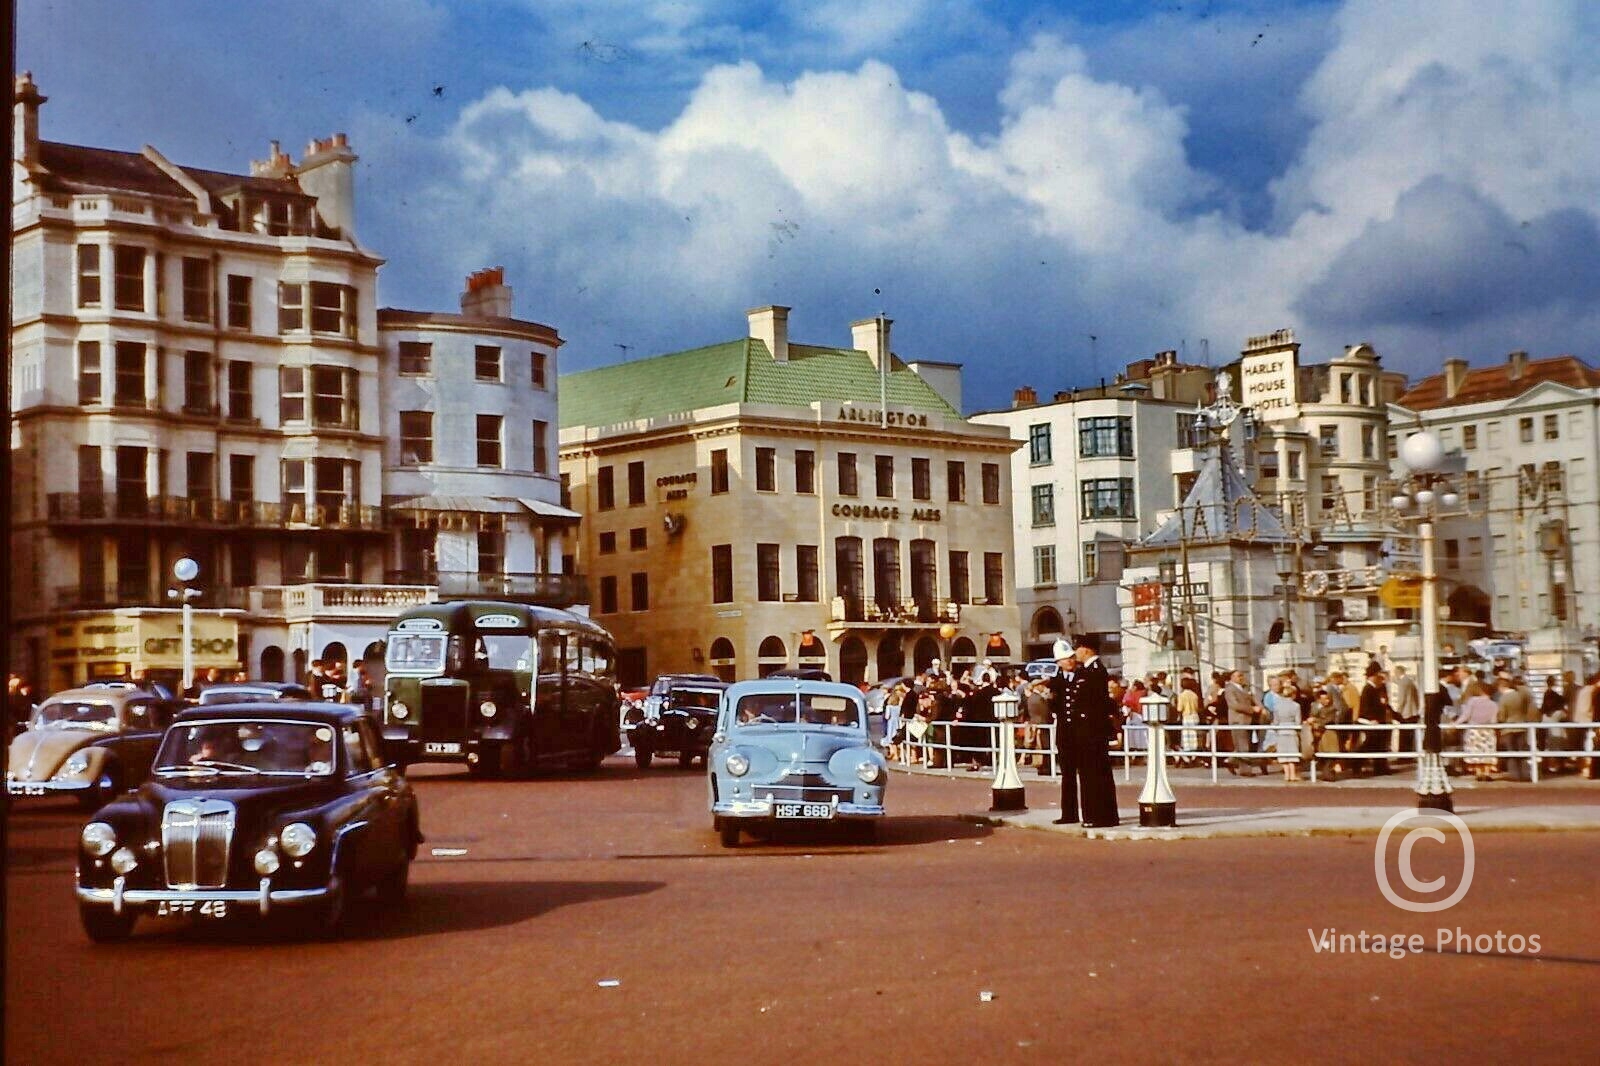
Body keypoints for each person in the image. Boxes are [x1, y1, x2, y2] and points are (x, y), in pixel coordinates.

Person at [1033, 636, 1118, 828]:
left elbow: (1094, 704)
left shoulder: (1090, 672)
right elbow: (1059, 705)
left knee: (1091, 775)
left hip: (1086, 732)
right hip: (1068, 732)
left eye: (1074, 654)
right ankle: (1072, 813)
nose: (1072, 659)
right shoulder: (1062, 678)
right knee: (1070, 774)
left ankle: (1096, 815)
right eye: (1066, 658)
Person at [1457, 680, 1500, 782]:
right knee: (1487, 751)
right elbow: (1494, 720)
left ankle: (1479, 773)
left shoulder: (1472, 701)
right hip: (1488, 731)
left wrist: (1456, 724)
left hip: (1474, 730)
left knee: (1476, 752)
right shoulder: (1494, 704)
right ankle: (1487, 772)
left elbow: (1466, 715)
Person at [1262, 676, 1303, 782]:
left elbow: (1275, 721)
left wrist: (1277, 728)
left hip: (1281, 731)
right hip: (1292, 731)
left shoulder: (1277, 706)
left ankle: (1286, 775)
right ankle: (1293, 774)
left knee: (1283, 753)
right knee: (1292, 753)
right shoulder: (1296, 706)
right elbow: (1298, 721)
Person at [1357, 665, 1393, 775]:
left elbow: (1385, 704)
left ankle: (1381, 767)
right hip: (1370, 721)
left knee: (1380, 744)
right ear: (1373, 676)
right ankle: (1355, 762)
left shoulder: (1380, 688)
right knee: (1370, 744)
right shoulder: (1367, 689)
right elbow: (1365, 707)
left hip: (1381, 721)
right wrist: (1371, 719)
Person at [1224, 670, 1259, 776]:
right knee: (1243, 745)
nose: (1241, 677)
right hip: (1237, 720)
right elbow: (1234, 705)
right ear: (1232, 677)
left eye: (1242, 675)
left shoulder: (1245, 687)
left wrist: (1261, 708)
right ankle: (1245, 770)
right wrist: (1252, 709)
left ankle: (1230, 761)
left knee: (1242, 745)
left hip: (1248, 720)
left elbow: (1253, 698)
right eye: (1239, 676)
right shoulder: (1230, 689)